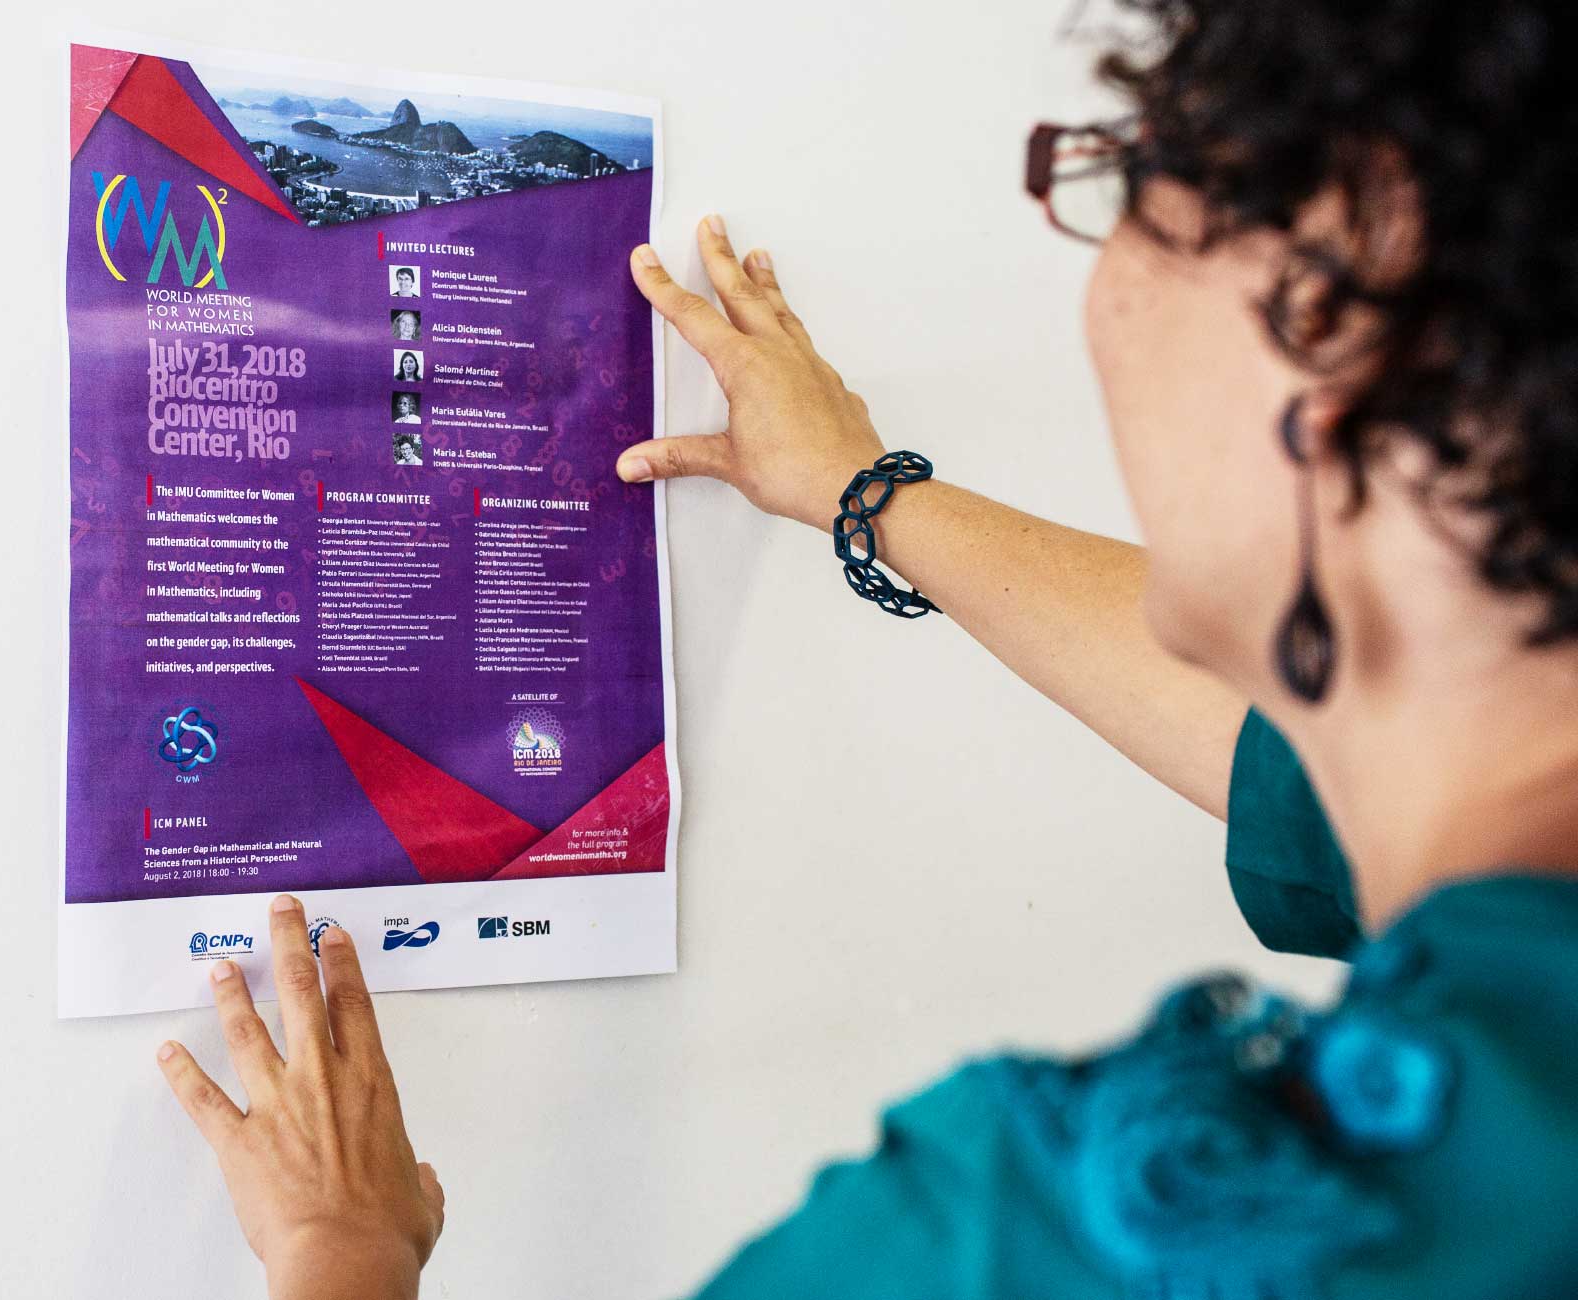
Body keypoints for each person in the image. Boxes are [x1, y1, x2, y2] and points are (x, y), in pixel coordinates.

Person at [154, 3, 1578, 1296]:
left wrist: (341, 1251)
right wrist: (867, 495)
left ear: (1335, 300)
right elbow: (1316, 757)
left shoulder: (1058, 1240)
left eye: (1126, 175)